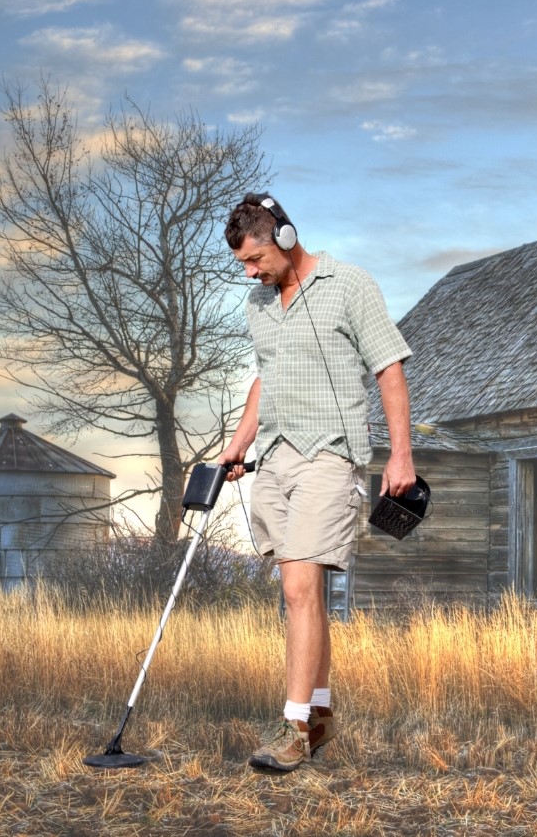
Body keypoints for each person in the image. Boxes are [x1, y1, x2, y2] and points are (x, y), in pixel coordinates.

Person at [217, 192, 415, 771]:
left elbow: (389, 368)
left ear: (283, 237)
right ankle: (321, 711)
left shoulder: (349, 285)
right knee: (303, 593)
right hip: (275, 460)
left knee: (299, 591)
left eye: (255, 261)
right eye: (242, 267)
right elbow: (265, 380)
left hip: (330, 457)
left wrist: (400, 457)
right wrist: (238, 443)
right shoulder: (259, 306)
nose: (250, 274)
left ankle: (294, 728)